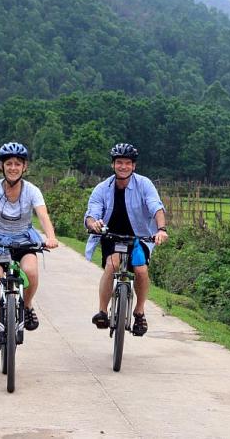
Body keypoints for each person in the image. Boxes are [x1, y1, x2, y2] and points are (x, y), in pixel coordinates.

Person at [0, 142, 58, 357]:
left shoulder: (32, 190)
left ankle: (27, 305)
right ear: (1, 167)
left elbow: (43, 215)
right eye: (9, 164)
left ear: (25, 167)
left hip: (23, 240)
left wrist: (50, 237)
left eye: (17, 164)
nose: (13, 168)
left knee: (31, 273)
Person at [84, 143, 168, 337]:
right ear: (113, 165)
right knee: (112, 265)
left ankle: (139, 311)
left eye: (127, 163)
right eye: (119, 162)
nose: (123, 166)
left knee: (140, 269)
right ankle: (103, 312)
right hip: (111, 236)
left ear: (134, 166)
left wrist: (161, 229)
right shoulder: (102, 188)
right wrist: (93, 224)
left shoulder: (144, 184)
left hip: (139, 237)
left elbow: (156, 207)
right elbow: (91, 213)